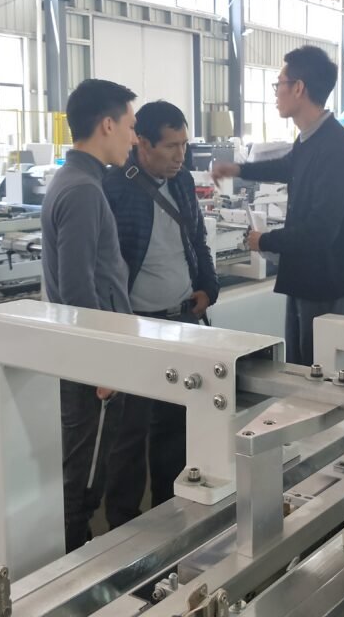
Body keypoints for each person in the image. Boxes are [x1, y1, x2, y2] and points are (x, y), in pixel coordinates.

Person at [101, 99, 220, 528]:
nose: (180, 155)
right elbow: (106, 266)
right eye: (171, 146)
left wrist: (208, 287)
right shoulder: (115, 188)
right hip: (139, 326)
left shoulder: (183, 181)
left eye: (184, 145)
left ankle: (170, 514)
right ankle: (124, 526)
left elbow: (197, 240)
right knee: (130, 434)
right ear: (142, 143)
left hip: (183, 321)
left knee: (176, 427)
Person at [212, 45, 344, 366]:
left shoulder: (334, 146)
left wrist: (265, 241)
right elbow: (288, 166)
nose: (276, 94)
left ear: (298, 88)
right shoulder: (311, 138)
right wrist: (238, 169)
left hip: (325, 285)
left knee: (319, 376)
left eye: (279, 84)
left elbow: (321, 230)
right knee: (298, 371)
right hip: (306, 277)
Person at [40, 78, 138, 552]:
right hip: (91, 365)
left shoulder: (77, 181)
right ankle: (70, 569)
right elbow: (77, 285)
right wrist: (101, 364)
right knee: (82, 481)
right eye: (130, 127)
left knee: (82, 472)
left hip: (87, 351)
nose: (134, 138)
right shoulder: (82, 190)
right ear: (107, 125)